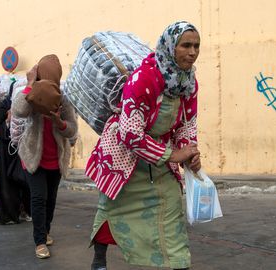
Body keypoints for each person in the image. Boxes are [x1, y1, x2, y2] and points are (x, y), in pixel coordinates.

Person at [85, 21, 201, 270]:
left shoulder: (188, 82)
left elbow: (186, 123)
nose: (192, 52)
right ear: (171, 47)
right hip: (124, 157)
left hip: (160, 160)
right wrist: (173, 153)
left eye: (196, 46)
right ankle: (99, 260)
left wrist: (189, 152)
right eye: (186, 45)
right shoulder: (144, 78)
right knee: (111, 210)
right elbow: (130, 134)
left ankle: (179, 263)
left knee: (171, 210)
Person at [12, 54, 78, 259]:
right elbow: (18, 110)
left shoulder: (63, 99)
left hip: (55, 160)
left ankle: (45, 231)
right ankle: (40, 241)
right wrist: (30, 83)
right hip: (34, 157)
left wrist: (60, 123)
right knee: (39, 198)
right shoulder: (33, 95)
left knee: (50, 200)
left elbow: (73, 131)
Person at [0, 80, 31, 225]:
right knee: (7, 184)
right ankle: (9, 215)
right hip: (5, 152)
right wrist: (8, 121)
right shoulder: (2, 106)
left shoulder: (24, 104)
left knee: (24, 182)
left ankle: (25, 211)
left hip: (21, 150)